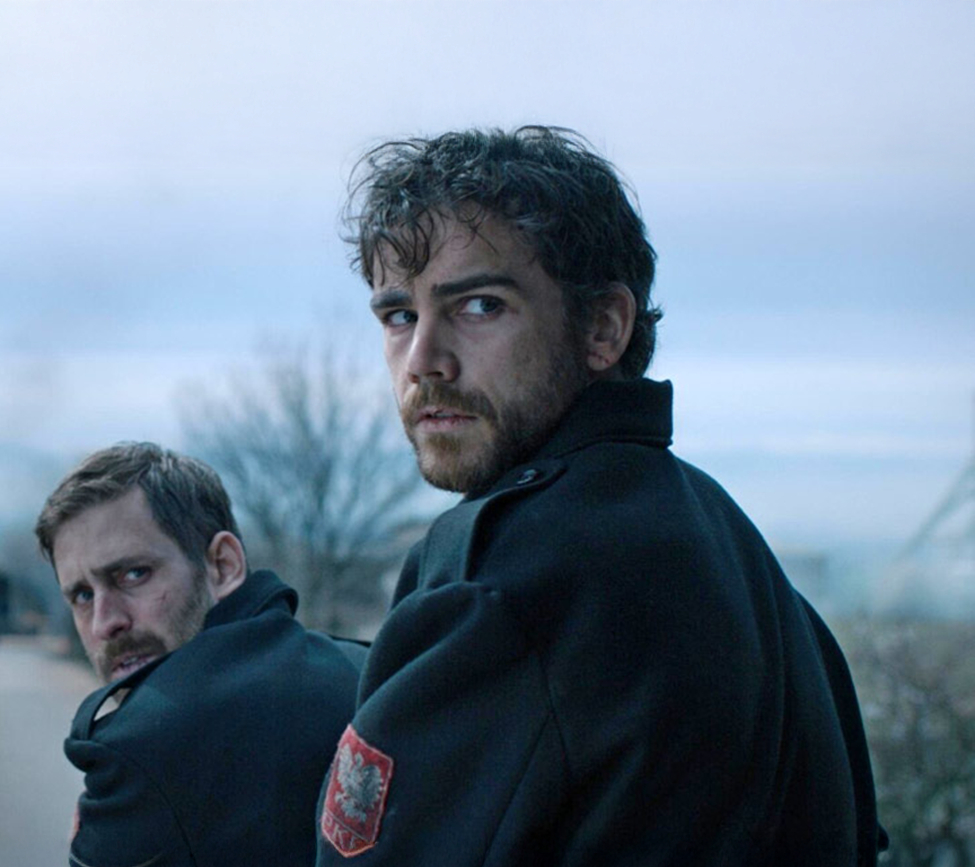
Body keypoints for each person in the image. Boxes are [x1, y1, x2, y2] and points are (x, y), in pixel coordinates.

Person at [315, 127, 885, 866]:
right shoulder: (741, 553)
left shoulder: (504, 575)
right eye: (400, 316)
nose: (424, 360)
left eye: (479, 305)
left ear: (604, 327)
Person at [36, 441, 365, 867]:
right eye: (82, 595)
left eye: (133, 574)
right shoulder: (369, 670)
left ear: (223, 565)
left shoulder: (145, 746)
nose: (104, 623)